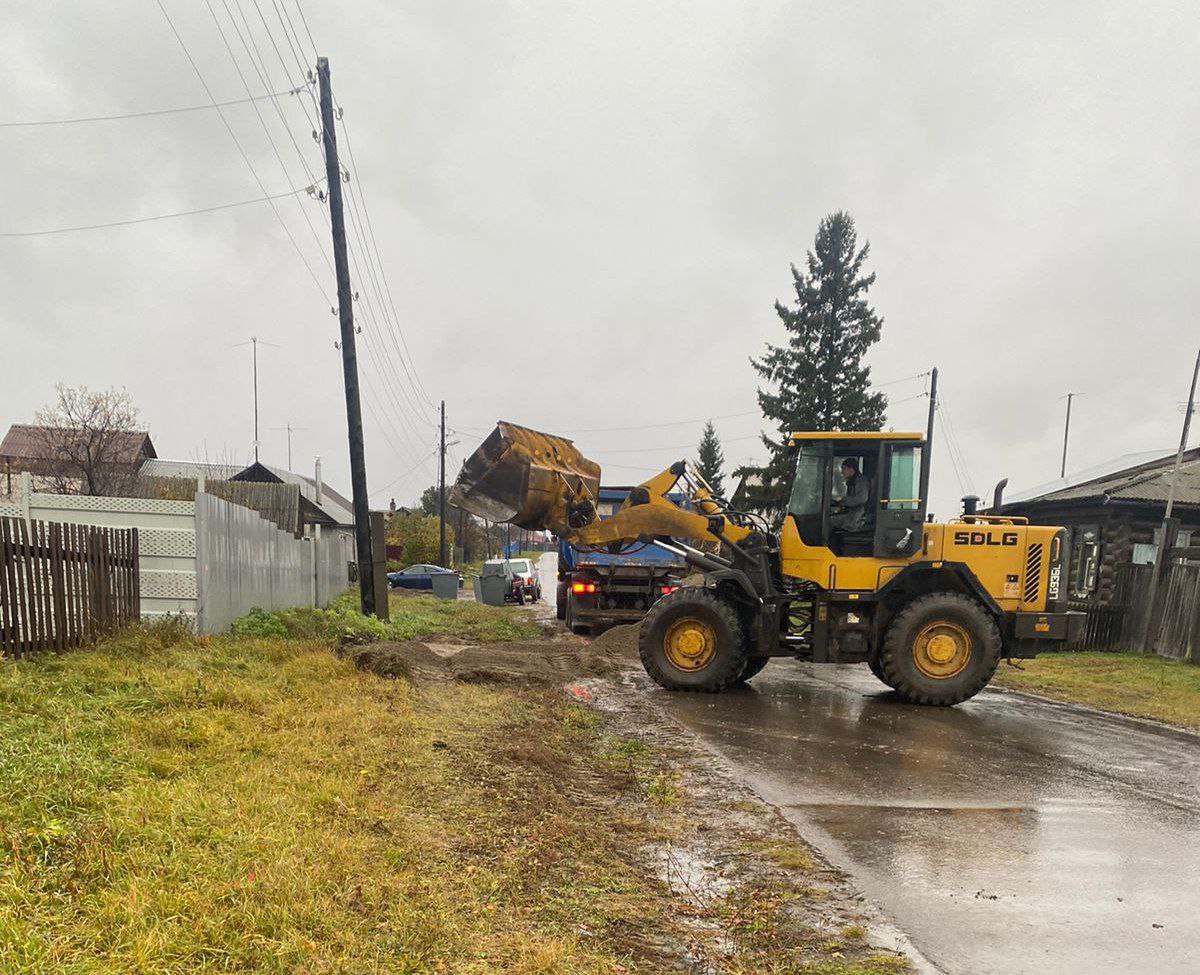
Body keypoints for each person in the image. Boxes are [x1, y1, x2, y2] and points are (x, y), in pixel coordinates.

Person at [831, 458, 870, 532]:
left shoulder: (861, 481)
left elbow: (862, 498)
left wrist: (843, 500)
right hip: (853, 513)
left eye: (844, 469)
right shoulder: (852, 481)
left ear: (852, 470)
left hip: (858, 516)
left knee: (829, 521)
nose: (842, 472)